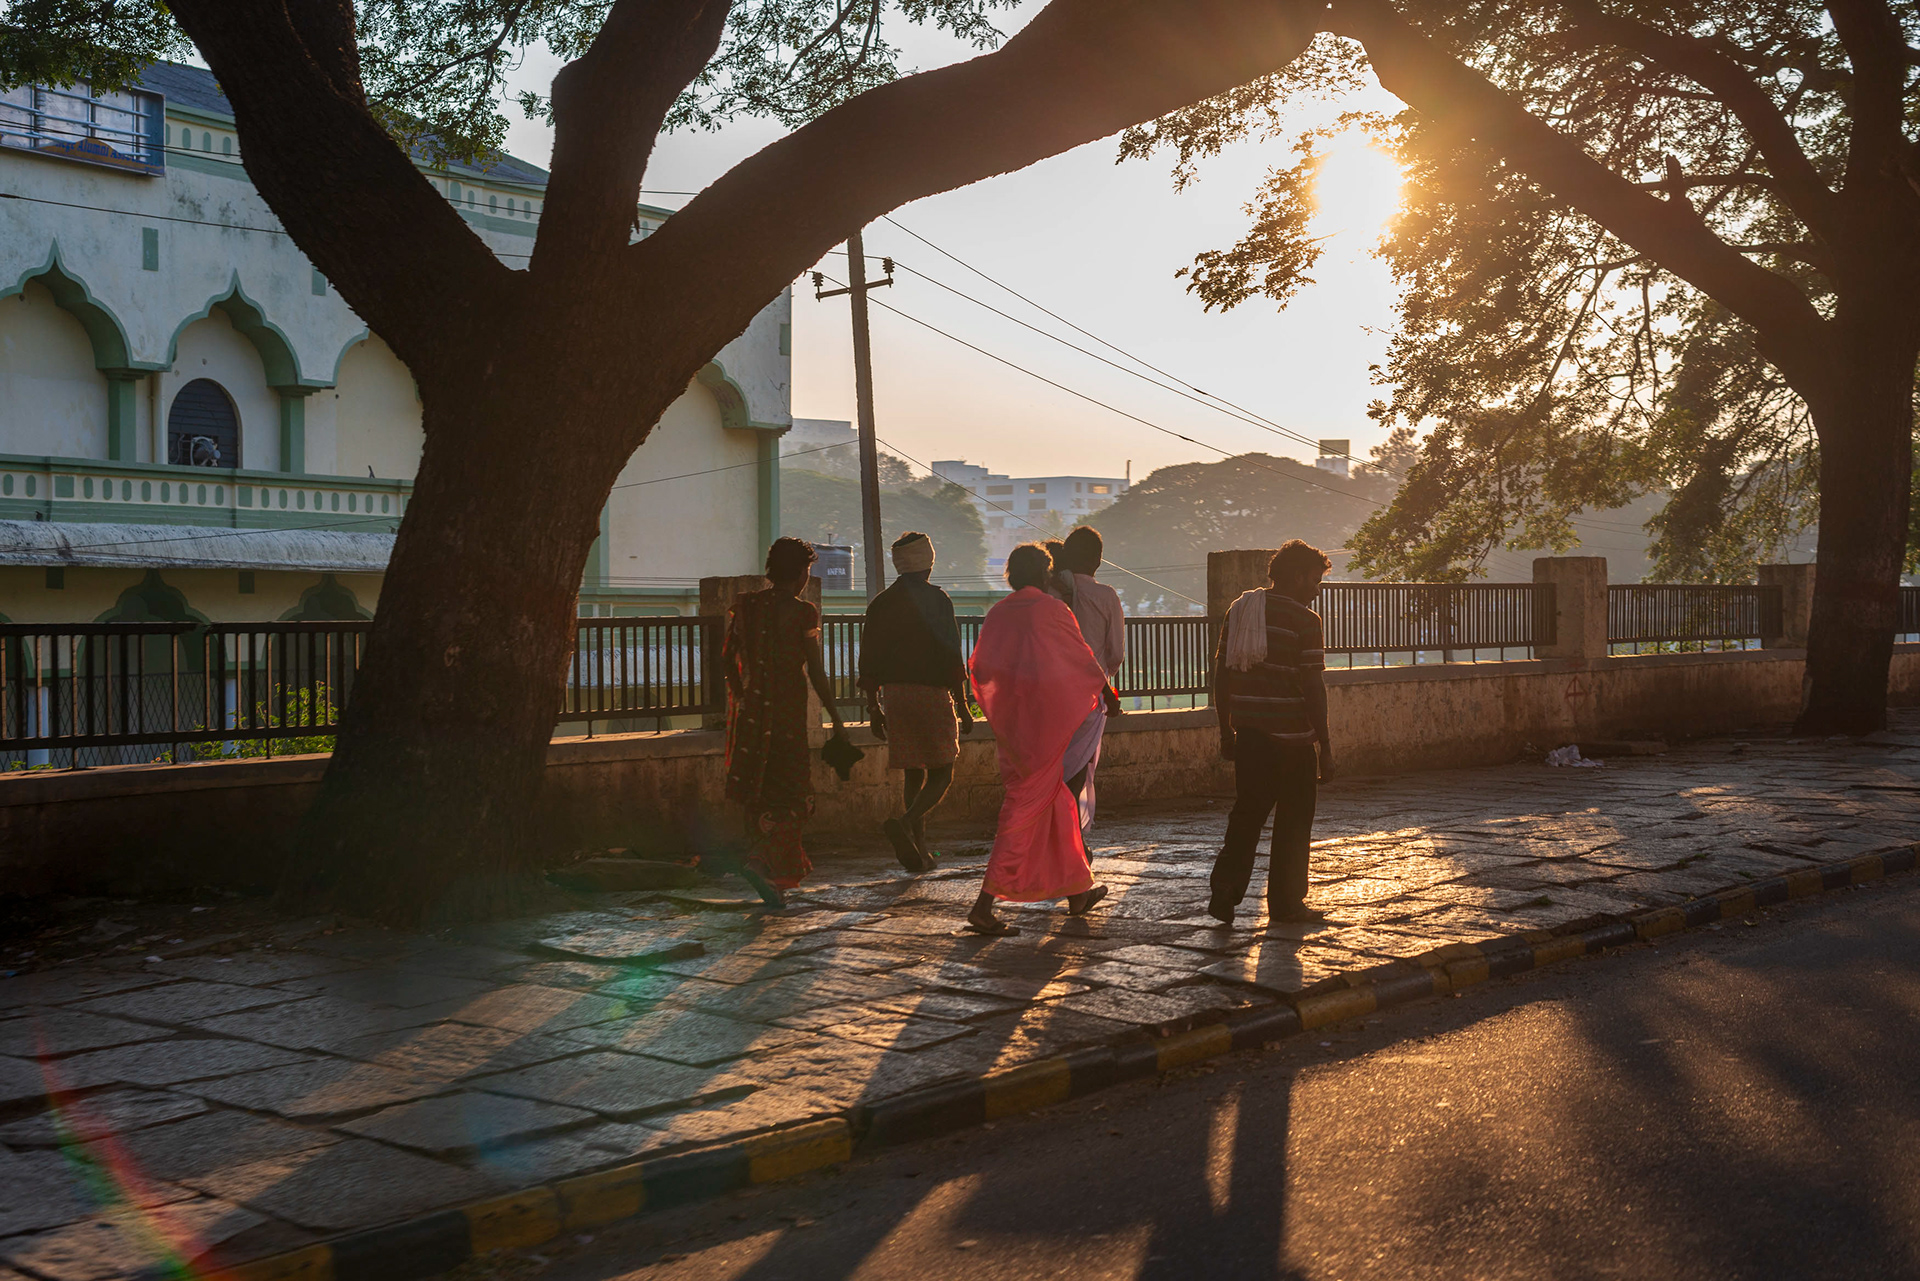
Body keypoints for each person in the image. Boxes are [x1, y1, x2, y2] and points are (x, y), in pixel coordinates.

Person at [965, 543, 1111, 935]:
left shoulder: (999, 613)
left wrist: (1010, 700)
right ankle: (984, 904)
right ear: (1045, 574)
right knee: (1023, 808)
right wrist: (1101, 690)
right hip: (1044, 726)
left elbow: (981, 667)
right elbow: (1081, 660)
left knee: (1060, 803)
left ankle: (1078, 892)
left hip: (1015, 726)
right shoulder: (1052, 609)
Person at [1209, 539, 1335, 927]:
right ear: (1297, 577)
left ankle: (1225, 891)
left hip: (1249, 735)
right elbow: (1313, 686)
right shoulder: (1306, 622)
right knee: (1295, 822)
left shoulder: (1240, 609)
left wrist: (1225, 729)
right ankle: (1286, 903)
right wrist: (1325, 744)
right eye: (1314, 582)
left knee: (1246, 814)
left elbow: (1223, 674)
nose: (1316, 591)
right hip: (1293, 740)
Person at [721, 537, 845, 909]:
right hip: (788, 715)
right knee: (794, 798)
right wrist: (836, 718)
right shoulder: (803, 612)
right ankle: (764, 866)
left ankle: (764, 868)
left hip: (754, 716)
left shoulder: (746, 607)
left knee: (759, 793)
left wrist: (744, 698)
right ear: (802, 572)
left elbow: (727, 659)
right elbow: (817, 673)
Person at [858, 531, 975, 873]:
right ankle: (906, 822)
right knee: (942, 772)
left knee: (913, 772)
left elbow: (869, 659)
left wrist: (874, 707)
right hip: (931, 694)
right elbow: (951, 654)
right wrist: (964, 705)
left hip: (894, 696)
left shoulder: (880, 602)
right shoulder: (937, 600)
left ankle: (919, 850)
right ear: (928, 563)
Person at [1059, 526, 1126, 830]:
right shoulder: (1105, 596)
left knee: (1054, 765)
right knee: (1078, 767)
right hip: (1089, 696)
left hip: (1049, 693)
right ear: (1098, 561)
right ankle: (1067, 834)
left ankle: (1062, 834)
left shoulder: (1051, 592)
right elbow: (1115, 654)